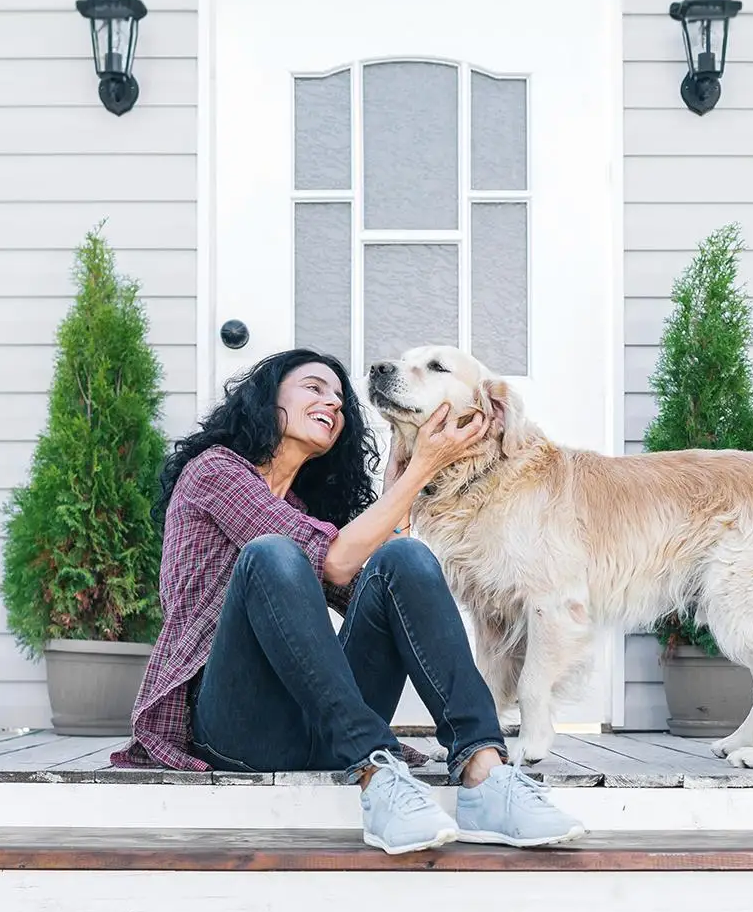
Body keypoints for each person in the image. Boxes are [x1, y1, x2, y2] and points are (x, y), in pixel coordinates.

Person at [112, 348, 586, 854]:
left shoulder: (299, 508)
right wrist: (420, 470)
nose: (333, 404)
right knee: (273, 554)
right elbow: (333, 561)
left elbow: (382, 594)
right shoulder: (216, 473)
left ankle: (484, 772)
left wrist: (399, 491)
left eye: (340, 399)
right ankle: (376, 775)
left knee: (405, 558)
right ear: (267, 397)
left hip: (321, 727)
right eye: (314, 388)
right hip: (236, 728)